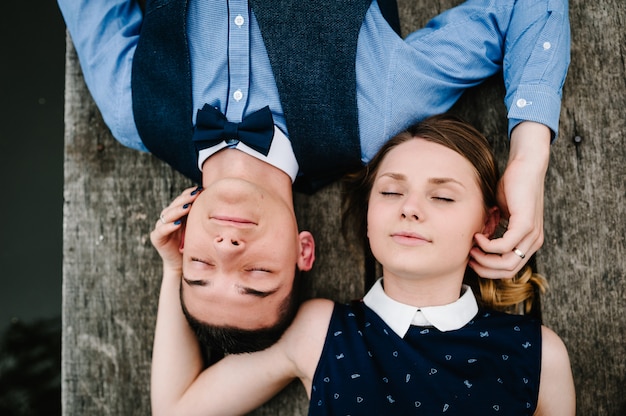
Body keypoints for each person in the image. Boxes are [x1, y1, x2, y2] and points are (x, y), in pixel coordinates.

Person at [57, 0, 571, 349]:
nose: (228, 250)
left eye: (199, 267)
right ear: (304, 250)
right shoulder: (372, 112)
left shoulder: (135, 111)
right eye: (257, 275)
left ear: (181, 233)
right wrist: (528, 160)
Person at [149, 115, 575, 415]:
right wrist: (174, 266)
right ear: (368, 215)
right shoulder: (318, 333)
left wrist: (528, 158)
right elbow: (176, 408)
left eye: (442, 197)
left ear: (488, 222)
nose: (410, 209)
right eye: (390, 192)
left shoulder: (538, 356)